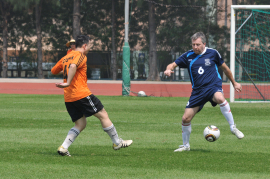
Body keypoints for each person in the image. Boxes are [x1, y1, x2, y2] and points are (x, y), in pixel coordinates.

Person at [51, 35, 132, 156]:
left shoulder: (66, 57)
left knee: (80, 124)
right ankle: (117, 142)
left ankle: (63, 147)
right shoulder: (80, 56)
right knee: (103, 115)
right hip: (81, 94)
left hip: (69, 98)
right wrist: (68, 82)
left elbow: (54, 71)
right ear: (84, 46)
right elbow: (73, 66)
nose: (89, 48)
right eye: (89, 46)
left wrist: (67, 72)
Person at [164, 32, 244, 152]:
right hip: (197, 92)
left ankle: (233, 128)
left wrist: (234, 83)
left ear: (204, 44)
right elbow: (173, 64)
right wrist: (168, 69)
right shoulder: (188, 56)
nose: (195, 47)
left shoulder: (213, 53)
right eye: (193, 44)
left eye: (198, 44)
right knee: (185, 119)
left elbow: (225, 69)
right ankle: (186, 146)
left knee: (220, 98)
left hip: (213, 87)